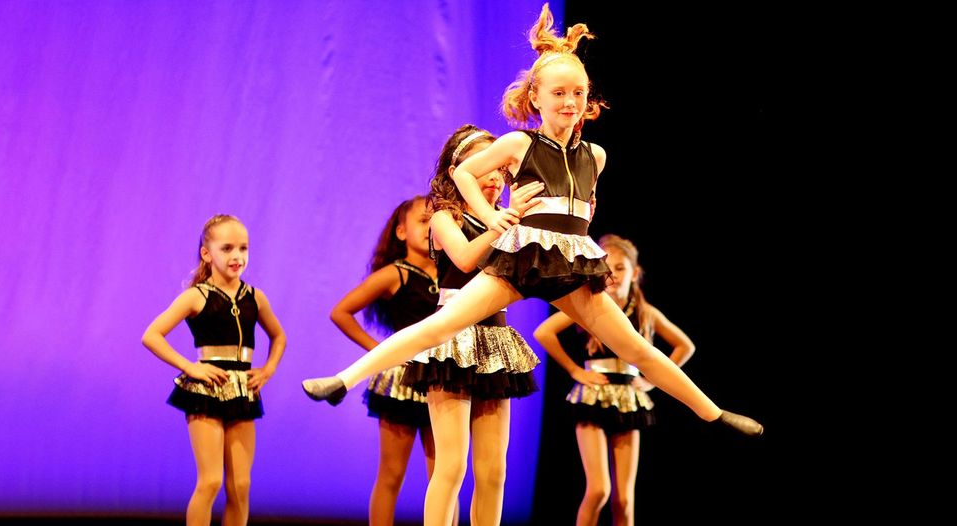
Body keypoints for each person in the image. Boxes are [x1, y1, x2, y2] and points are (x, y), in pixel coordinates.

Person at [300, 2, 761, 441]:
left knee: (636, 347)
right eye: (558, 93)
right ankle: (343, 379)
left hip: (572, 268)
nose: (570, 101)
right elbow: (463, 172)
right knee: (438, 326)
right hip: (522, 259)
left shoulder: (595, 156)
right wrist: (491, 217)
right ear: (535, 97)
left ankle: (712, 412)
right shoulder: (520, 145)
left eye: (578, 93)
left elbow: (582, 205)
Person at [403, 124, 545, 525]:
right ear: (457, 171)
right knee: (451, 468)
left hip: (495, 340)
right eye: (488, 167)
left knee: (494, 471)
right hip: (453, 337)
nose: (498, 176)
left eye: (502, 169)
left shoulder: (505, 219)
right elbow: (465, 259)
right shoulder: (444, 217)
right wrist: (506, 221)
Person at [533, 234, 694, 526]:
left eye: (621, 268)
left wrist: (651, 380)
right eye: (608, 267)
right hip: (593, 396)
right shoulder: (591, 304)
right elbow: (543, 332)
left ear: (635, 273)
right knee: (598, 490)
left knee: (624, 499)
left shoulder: (646, 312)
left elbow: (685, 346)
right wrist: (575, 371)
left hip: (629, 398)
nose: (613, 274)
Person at [315, 195, 454, 526]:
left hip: (443, 378)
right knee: (392, 475)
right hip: (401, 385)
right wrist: (379, 352)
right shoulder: (396, 274)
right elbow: (341, 312)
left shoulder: (452, 272)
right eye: (422, 220)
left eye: (435, 219)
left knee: (446, 473)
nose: (430, 226)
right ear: (401, 232)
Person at [142, 214, 287, 526]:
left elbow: (279, 336)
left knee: (241, 486)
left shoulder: (255, 297)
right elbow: (151, 335)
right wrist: (190, 367)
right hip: (207, 392)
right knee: (211, 482)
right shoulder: (197, 296)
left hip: (243, 392)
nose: (237, 256)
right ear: (207, 254)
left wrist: (268, 370)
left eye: (243, 248)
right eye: (227, 248)